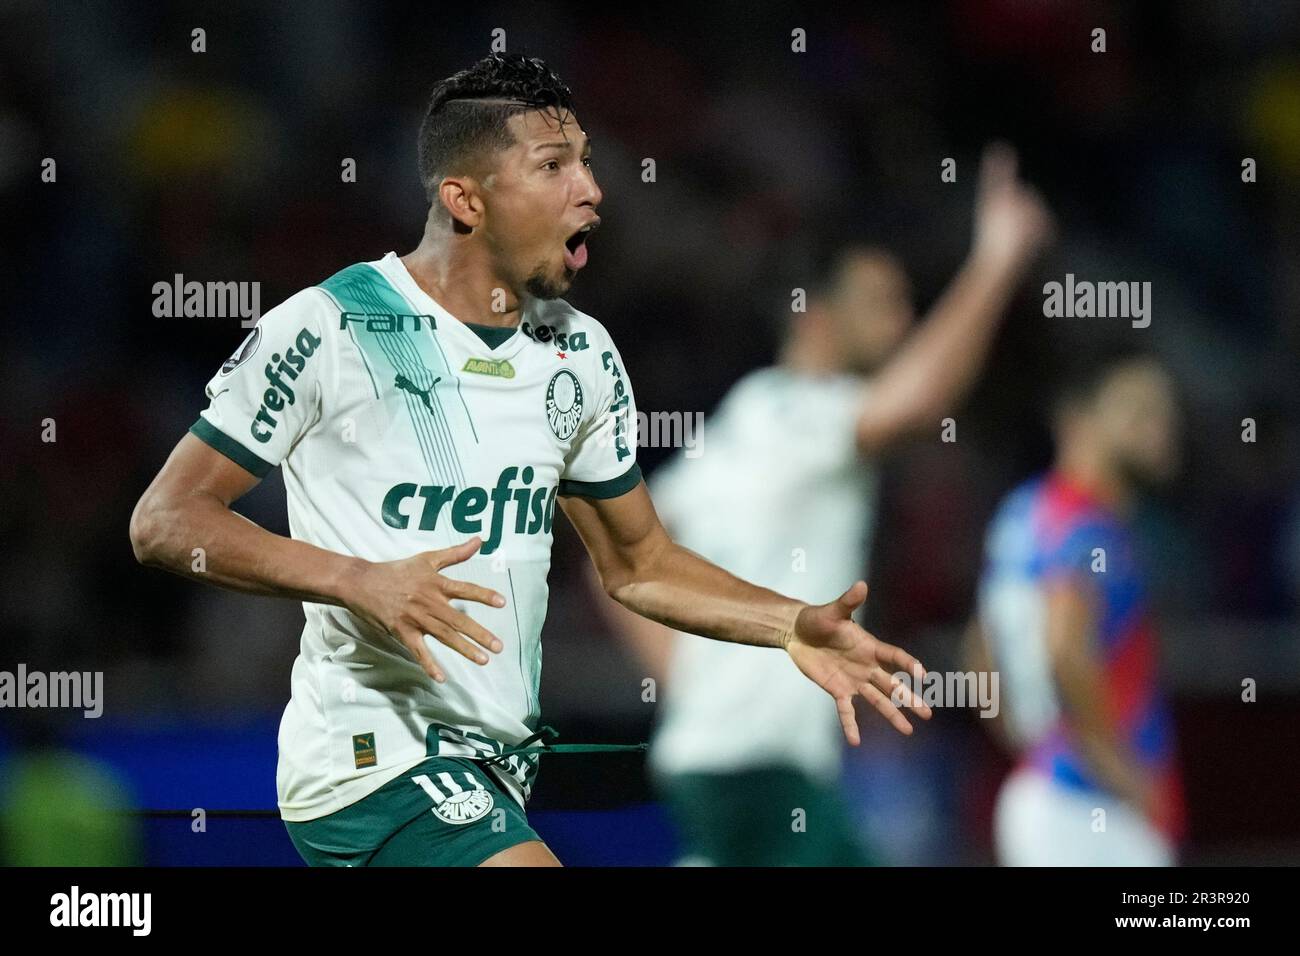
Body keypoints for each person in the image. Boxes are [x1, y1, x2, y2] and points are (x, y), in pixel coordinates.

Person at [128, 53, 932, 868]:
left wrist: (788, 624)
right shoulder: (332, 326)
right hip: (370, 759)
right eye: (553, 166)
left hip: (498, 768)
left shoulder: (578, 353)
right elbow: (166, 520)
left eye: (585, 161)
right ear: (465, 199)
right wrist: (354, 579)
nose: (590, 188)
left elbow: (637, 562)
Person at [595, 146, 1053, 865]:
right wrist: (997, 258)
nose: (902, 323)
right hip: (758, 769)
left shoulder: (745, 420)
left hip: (725, 762)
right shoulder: (806, 414)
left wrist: (686, 675)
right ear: (813, 316)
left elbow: (613, 556)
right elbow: (920, 398)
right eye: (879, 303)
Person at [968, 350, 1187, 865]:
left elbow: (979, 654)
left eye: (1164, 412)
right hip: (1095, 811)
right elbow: (1066, 650)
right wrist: (1125, 776)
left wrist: (1036, 751)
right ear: (1077, 420)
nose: (1161, 428)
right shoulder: (1090, 529)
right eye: (1138, 412)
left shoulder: (1023, 512)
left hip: (1042, 796)